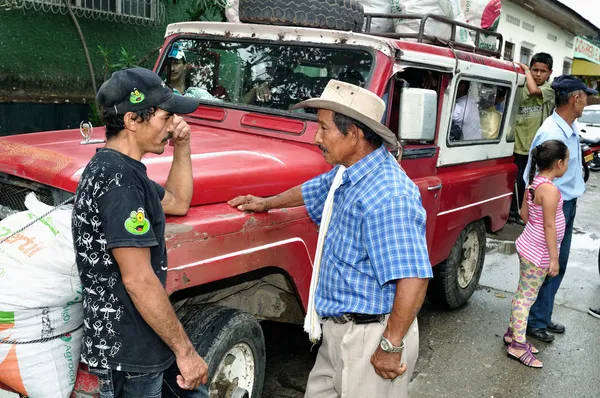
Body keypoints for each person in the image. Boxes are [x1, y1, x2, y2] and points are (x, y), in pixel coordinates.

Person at [228, 80, 432, 398]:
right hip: (338, 330)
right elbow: (312, 189)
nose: (317, 137)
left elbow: (414, 278)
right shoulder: (347, 174)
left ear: (353, 133)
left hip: (372, 335)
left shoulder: (388, 193)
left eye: (323, 128)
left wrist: (391, 345)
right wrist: (267, 203)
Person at [72, 67, 209, 397]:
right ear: (133, 120)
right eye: (165, 117)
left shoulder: (121, 170)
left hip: (145, 342)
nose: (172, 125)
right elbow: (138, 279)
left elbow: (177, 202)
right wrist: (186, 352)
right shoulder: (120, 184)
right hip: (127, 354)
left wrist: (183, 145)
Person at [524, 75, 598, 343]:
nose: (587, 100)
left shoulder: (567, 126)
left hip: (567, 203)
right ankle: (535, 322)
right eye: (585, 96)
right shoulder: (553, 133)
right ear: (575, 98)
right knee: (548, 264)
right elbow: (531, 173)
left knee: (559, 264)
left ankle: (542, 315)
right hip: (555, 207)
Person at [503, 139, 569, 368]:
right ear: (559, 163)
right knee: (525, 298)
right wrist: (553, 258)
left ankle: (513, 333)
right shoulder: (549, 190)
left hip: (528, 247)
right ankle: (518, 345)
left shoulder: (534, 183)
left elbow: (524, 214)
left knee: (522, 293)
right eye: (568, 160)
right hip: (538, 254)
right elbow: (549, 226)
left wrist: (535, 232)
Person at [511, 53, 555, 223]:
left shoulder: (549, 89)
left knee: (529, 184)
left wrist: (526, 70)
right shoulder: (521, 86)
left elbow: (534, 90)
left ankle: (527, 214)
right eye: (535, 70)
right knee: (516, 181)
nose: (538, 74)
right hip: (516, 144)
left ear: (549, 73)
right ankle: (513, 212)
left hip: (535, 148)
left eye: (542, 71)